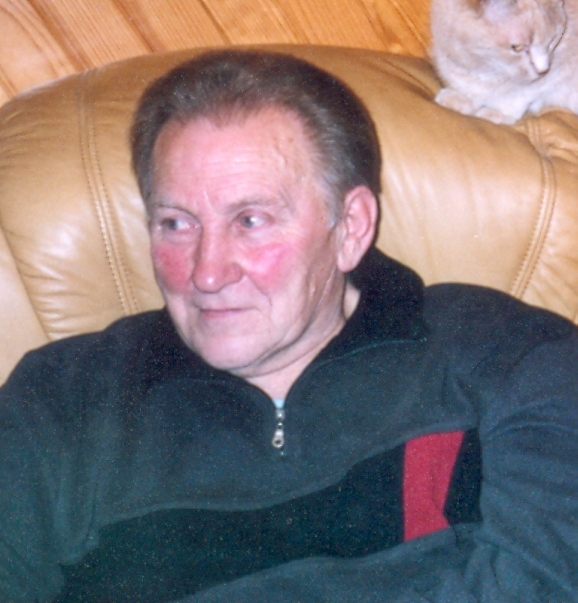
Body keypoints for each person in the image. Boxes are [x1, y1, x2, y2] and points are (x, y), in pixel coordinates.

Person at [0, 49, 576, 603]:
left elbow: (548, 582)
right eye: (176, 224)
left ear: (350, 227)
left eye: (250, 221)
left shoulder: (506, 351)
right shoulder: (61, 399)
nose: (206, 273)